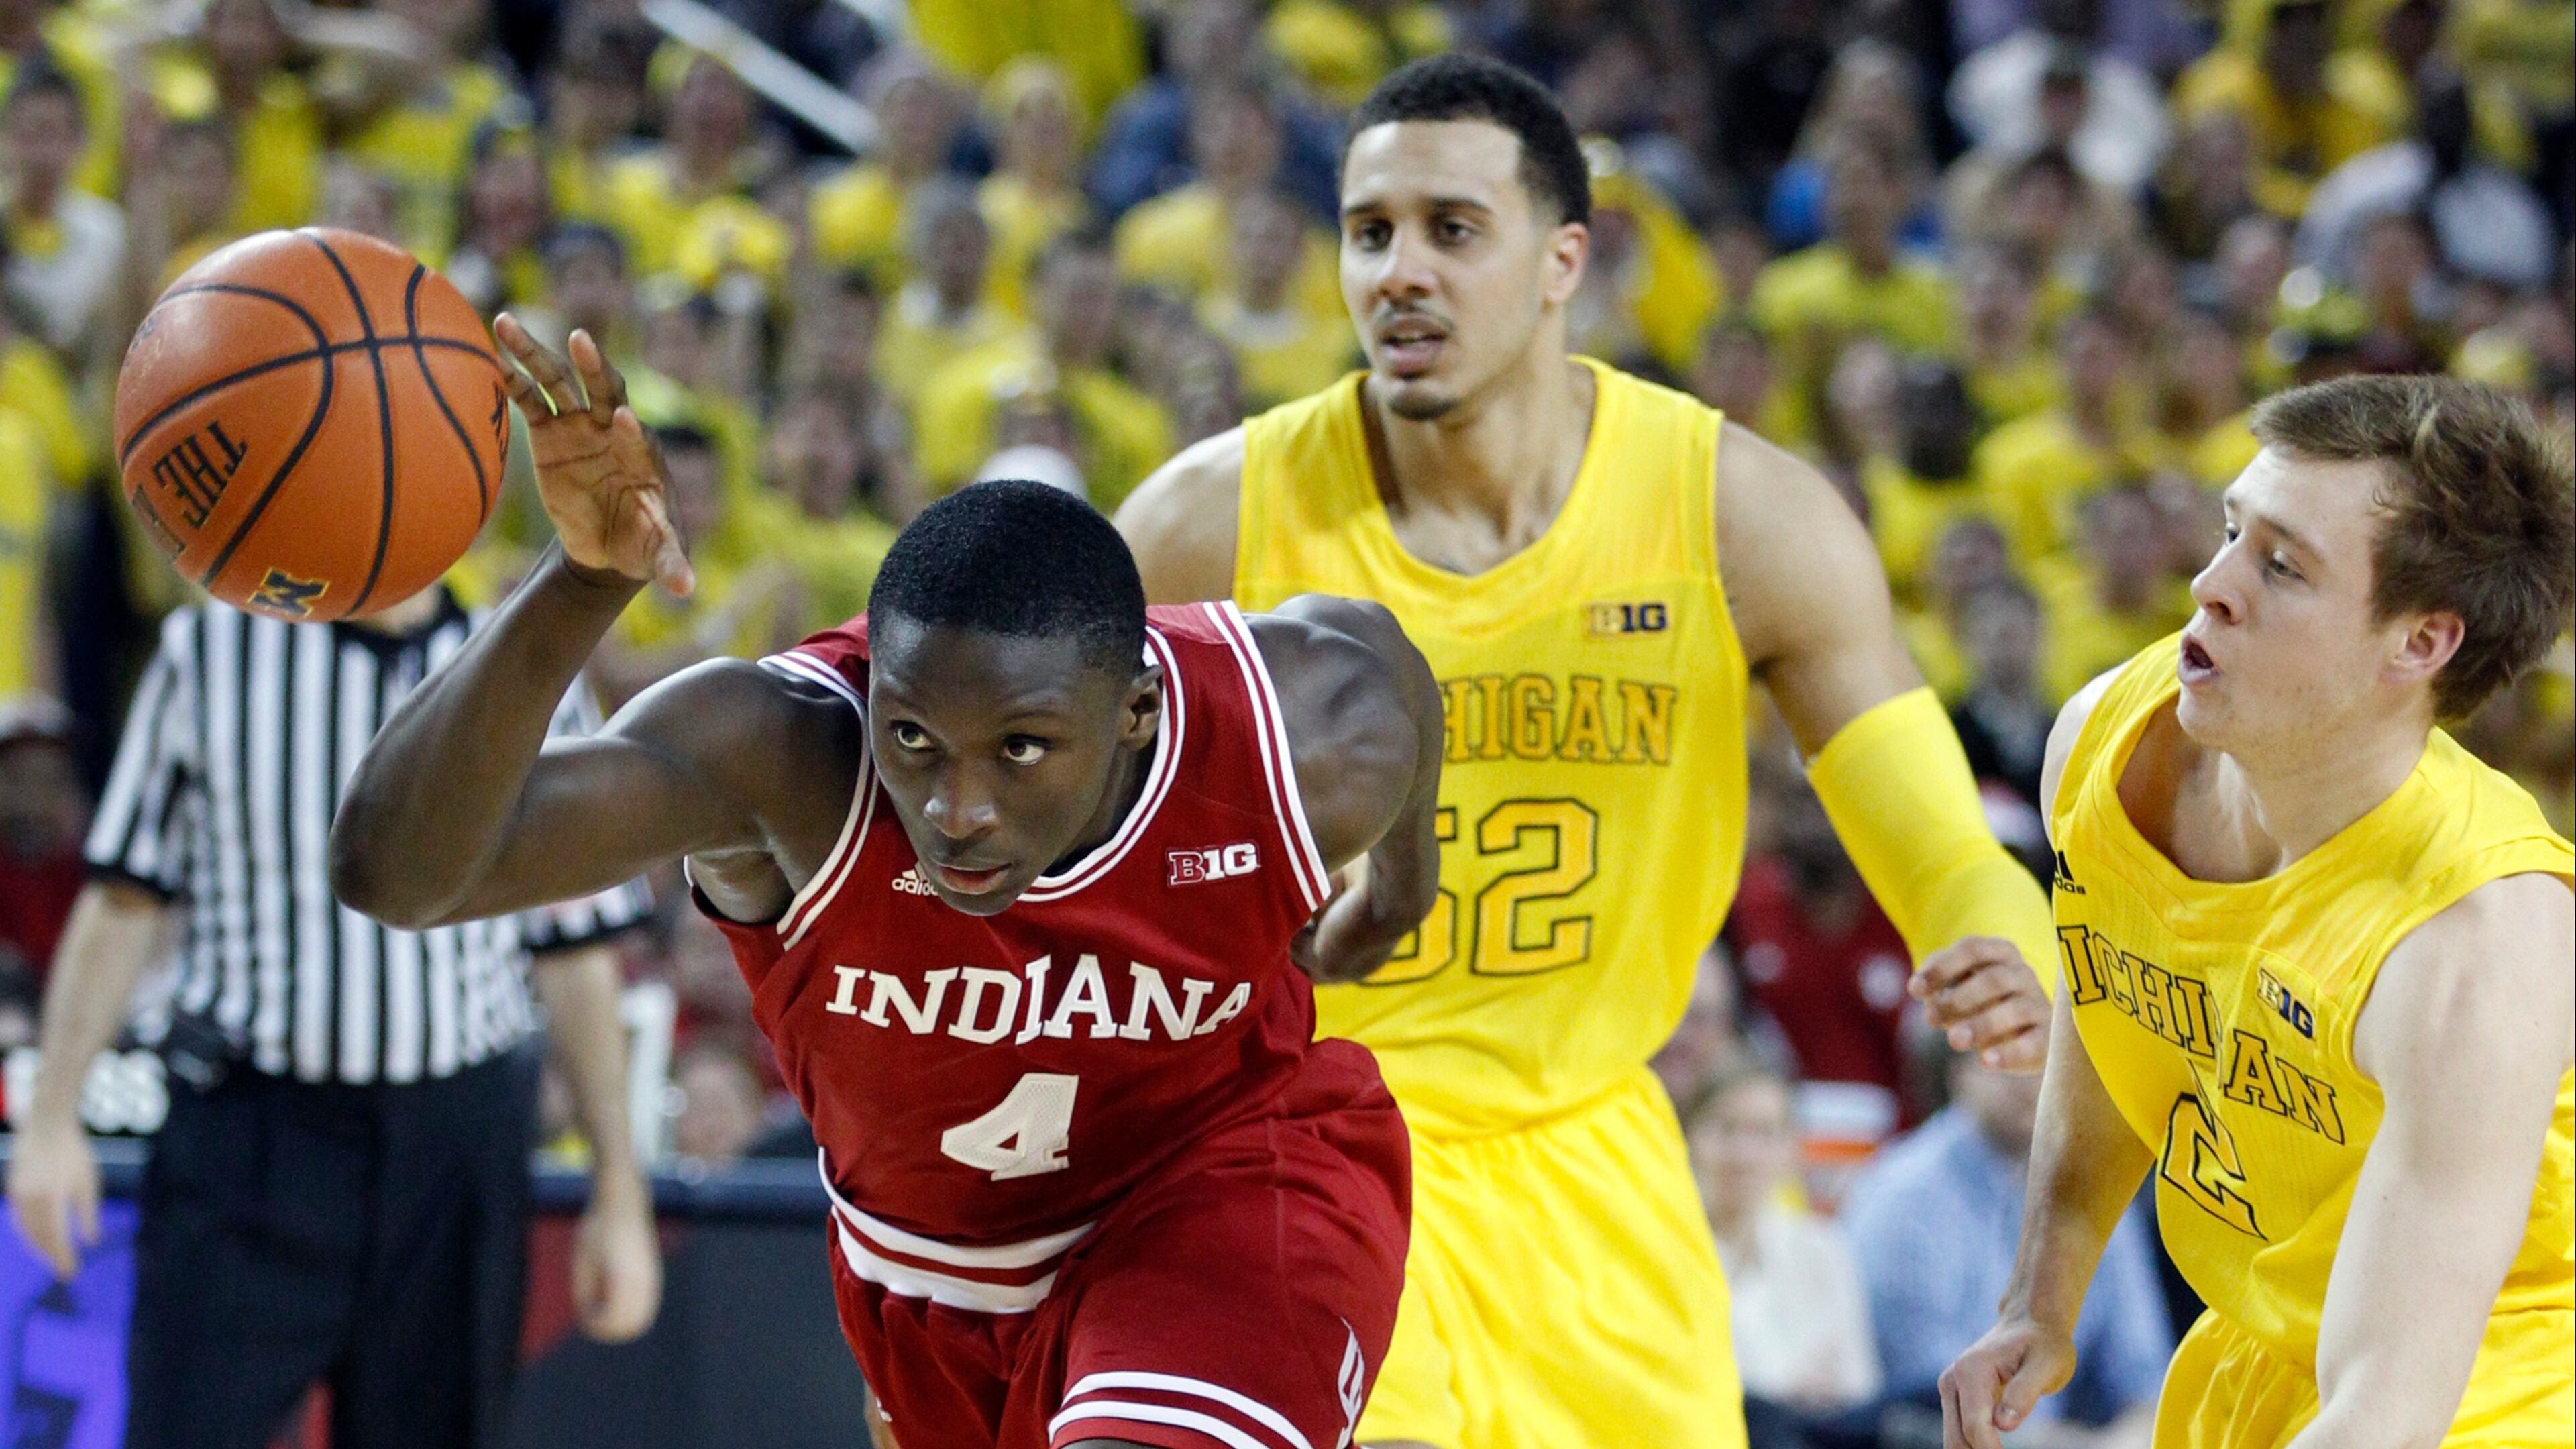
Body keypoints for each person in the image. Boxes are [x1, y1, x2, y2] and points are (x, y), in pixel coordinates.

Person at [1114, 53, 2059, 1449]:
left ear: (1565, 259)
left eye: (1452, 228)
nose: (1399, 273)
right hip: (1307, 1157)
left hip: (1604, 1167)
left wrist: (1999, 939)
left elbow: (1941, 847)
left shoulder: (1739, 515)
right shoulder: (1210, 523)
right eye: (1369, 233)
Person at [327, 318, 1452, 1449]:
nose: (957, 811)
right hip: (930, 1279)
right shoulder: (787, 752)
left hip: (1230, 1189)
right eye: (914, 739)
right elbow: (397, 872)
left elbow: (1392, 670)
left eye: (1019, 749)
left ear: (1135, 715)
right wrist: (578, 582)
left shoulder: (1284, 728)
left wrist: (1398, 893)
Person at [1941, 373, 2576, 1449]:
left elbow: (2389, 1409)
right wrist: (2041, 1299)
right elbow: (2116, 989)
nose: (2209, 586)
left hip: (2495, 1380)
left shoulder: (2477, 941)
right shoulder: (2104, 740)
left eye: (2281, 567)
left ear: (2419, 644)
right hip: (2265, 1350)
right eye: (2232, 531)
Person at [4, 584, 663, 1449]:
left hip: (455, 1148)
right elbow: (124, 897)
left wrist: (620, 1187)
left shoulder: (527, 665)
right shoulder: (209, 649)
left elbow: (576, 945)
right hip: (249, 1133)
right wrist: (52, 1120)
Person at [1843, 1044, 2171, 1446]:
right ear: (1956, 1073)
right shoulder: (1902, 1199)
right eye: (2007, 1063)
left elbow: (2147, 1382)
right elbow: (1927, 1404)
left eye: (2049, 1063)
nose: (2032, 1084)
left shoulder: (2099, 1188)